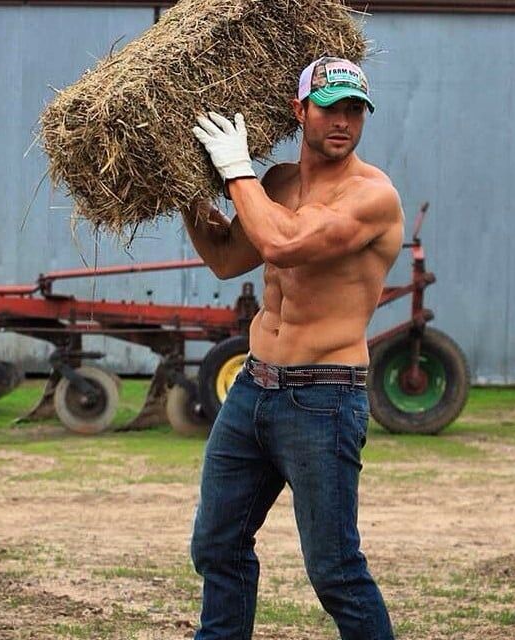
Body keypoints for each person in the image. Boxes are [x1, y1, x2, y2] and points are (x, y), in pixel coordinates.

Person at [186, 56, 404, 640]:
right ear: (299, 109)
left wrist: (234, 171)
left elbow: (284, 243)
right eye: (330, 107)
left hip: (324, 399)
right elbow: (230, 259)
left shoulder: (372, 196)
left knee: (334, 571)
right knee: (217, 545)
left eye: (355, 110)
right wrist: (179, 186)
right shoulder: (278, 183)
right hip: (253, 388)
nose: (343, 122)